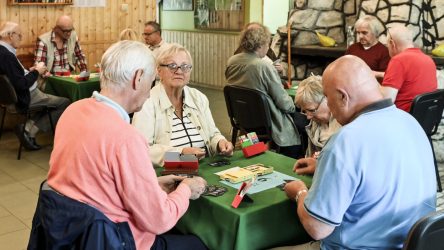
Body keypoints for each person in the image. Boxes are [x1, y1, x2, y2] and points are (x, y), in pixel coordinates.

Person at [45, 40, 208, 250]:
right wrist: (186, 188)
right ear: (138, 78)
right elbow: (160, 220)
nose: (149, 92)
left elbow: (98, 181)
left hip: (70, 233)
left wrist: (154, 184)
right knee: (201, 244)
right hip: (115, 239)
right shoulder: (126, 137)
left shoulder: (73, 111)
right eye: (150, 82)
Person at [275, 55, 436, 250]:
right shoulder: (410, 122)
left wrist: (299, 192)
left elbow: (317, 228)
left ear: (343, 96)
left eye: (328, 97)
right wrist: (323, 167)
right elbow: (383, 172)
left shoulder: (345, 141)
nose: (330, 108)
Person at [132, 43, 233, 166]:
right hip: (169, 175)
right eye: (172, 66)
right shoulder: (146, 103)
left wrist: (220, 142)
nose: (179, 71)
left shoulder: (199, 98)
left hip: (204, 169)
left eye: (185, 66)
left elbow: (213, 135)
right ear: (159, 71)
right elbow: (142, 150)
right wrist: (181, 154)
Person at [225, 23, 303, 158]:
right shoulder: (263, 67)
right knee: (305, 121)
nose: (268, 48)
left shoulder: (232, 62)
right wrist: (295, 107)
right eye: (268, 44)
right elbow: (283, 102)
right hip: (268, 122)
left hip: (244, 121)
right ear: (260, 45)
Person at [0, 21, 70, 150]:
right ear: (10, 35)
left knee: (49, 104)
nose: (21, 39)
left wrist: (31, 72)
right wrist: (37, 71)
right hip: (25, 97)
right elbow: (22, 84)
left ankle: (27, 128)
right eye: (19, 35)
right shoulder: (6, 55)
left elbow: (16, 77)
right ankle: (29, 130)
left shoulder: (3, 51)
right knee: (64, 102)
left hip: (8, 98)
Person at [381, 24, 437, 112]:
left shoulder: (398, 60)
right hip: (424, 121)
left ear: (392, 43)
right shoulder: (428, 59)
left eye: (387, 45)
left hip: (402, 119)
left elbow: (385, 102)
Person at [293, 75, 341, 175]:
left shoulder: (345, 124)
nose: (308, 117)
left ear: (327, 99)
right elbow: (309, 157)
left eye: (311, 110)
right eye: (304, 111)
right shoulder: (315, 123)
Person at [345, 15, 390, 80]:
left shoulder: (384, 51)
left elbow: (385, 76)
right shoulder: (352, 48)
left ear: (375, 32)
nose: (360, 36)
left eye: (364, 33)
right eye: (358, 33)